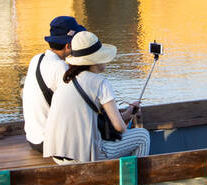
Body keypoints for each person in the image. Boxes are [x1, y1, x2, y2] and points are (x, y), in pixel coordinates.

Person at [43, 30, 150, 164]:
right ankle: (135, 181)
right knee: (142, 136)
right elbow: (120, 128)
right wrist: (126, 118)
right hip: (81, 157)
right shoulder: (101, 83)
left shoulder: (67, 80)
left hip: (58, 155)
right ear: (95, 60)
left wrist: (127, 113)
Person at [22, 15, 85, 154]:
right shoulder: (60, 68)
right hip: (49, 143)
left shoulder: (36, 59)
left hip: (33, 138)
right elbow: (77, 107)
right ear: (68, 45)